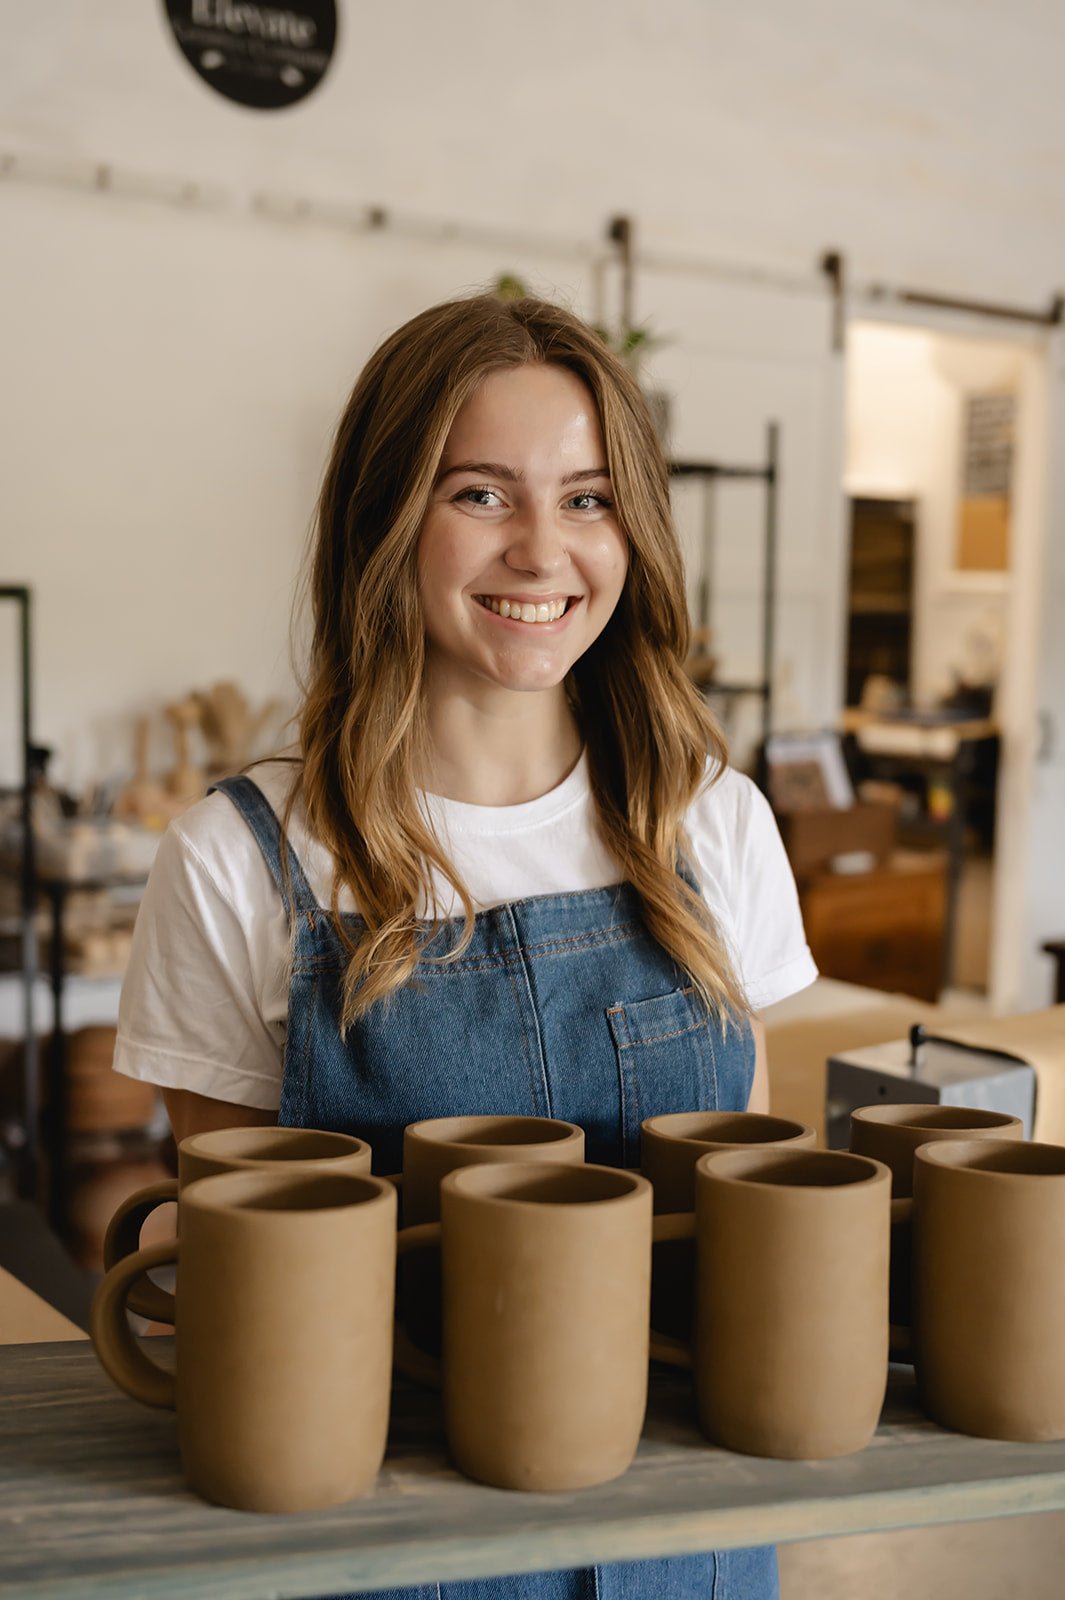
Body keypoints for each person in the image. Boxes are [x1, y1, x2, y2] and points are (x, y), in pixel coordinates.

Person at [115, 291, 817, 1599]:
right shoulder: (239, 860)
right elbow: (247, 1289)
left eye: (589, 498)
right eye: (480, 495)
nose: (542, 549)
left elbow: (745, 1233)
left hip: (688, 1538)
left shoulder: (709, 822)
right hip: (384, 1548)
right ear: (384, 520)